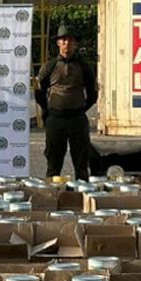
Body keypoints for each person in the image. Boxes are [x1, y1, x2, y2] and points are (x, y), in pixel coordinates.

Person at [35, 24, 98, 181]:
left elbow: (93, 94)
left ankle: (82, 198)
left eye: (70, 41)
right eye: (63, 40)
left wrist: (81, 109)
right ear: (58, 43)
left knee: (82, 167)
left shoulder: (84, 67)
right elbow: (39, 92)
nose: (67, 44)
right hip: (56, 120)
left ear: (75, 44)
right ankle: (51, 198)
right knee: (53, 167)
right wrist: (47, 112)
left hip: (77, 120)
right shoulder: (49, 66)